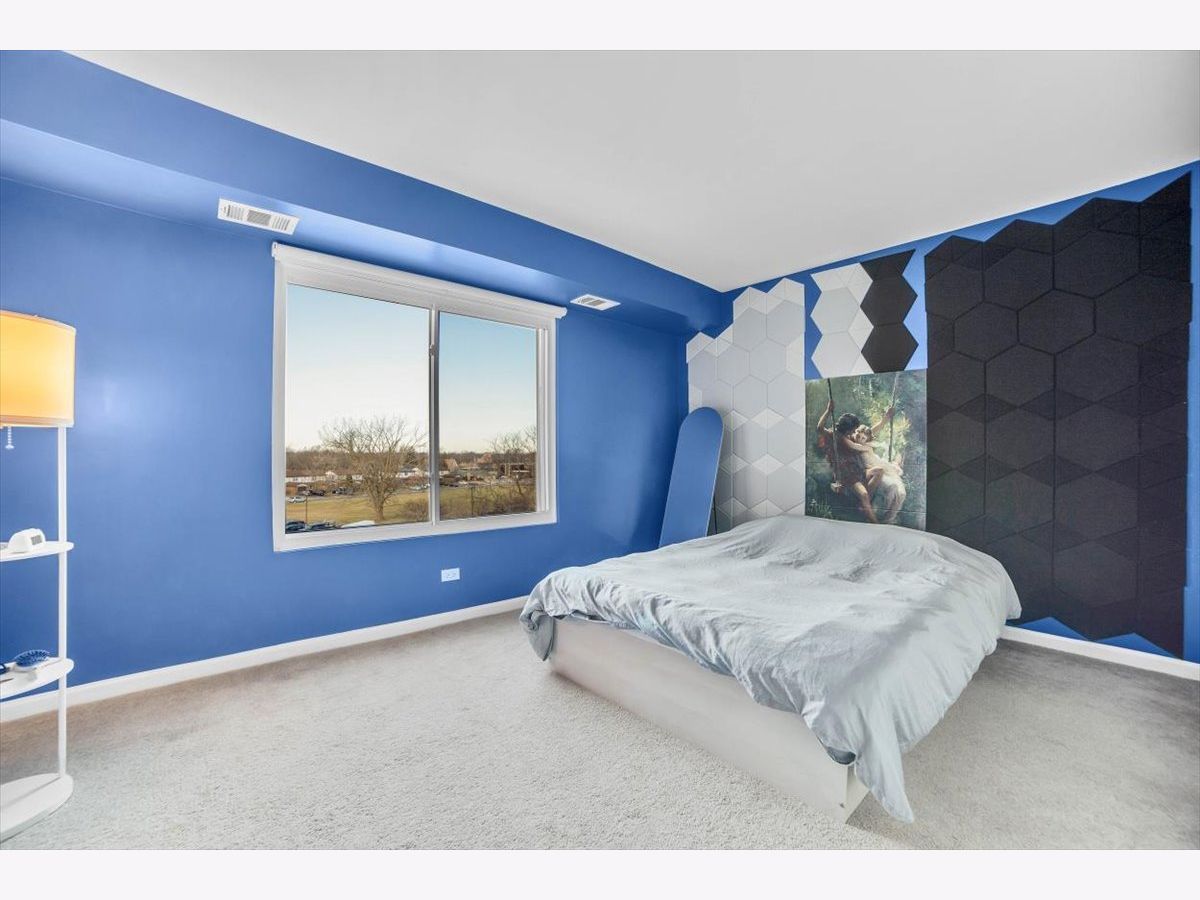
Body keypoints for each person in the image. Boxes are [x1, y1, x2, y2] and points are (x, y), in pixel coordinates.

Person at [815, 399, 877, 524]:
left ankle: (863, 504)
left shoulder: (848, 436)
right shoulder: (833, 435)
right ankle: (875, 523)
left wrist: (885, 419)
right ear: (847, 428)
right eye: (853, 429)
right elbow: (819, 428)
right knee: (864, 494)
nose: (854, 432)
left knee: (878, 471)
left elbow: (869, 432)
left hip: (857, 469)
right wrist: (828, 411)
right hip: (846, 474)